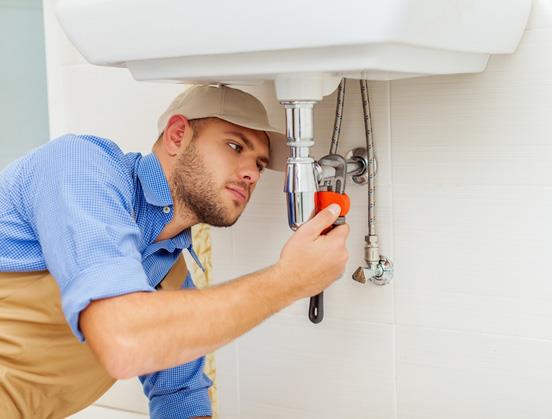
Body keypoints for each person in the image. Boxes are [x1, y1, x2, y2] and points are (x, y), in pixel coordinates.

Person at [0, 85, 349, 418]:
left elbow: (180, 396)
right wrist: (289, 279)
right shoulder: (80, 168)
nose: (251, 174)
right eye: (235, 146)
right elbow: (123, 340)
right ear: (177, 136)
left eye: (259, 164)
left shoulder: (167, 266)